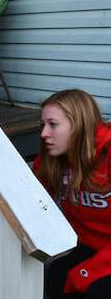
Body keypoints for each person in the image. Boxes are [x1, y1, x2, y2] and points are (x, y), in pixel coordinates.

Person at [33, 89, 111, 299]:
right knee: (55, 274)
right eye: (43, 125)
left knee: (97, 291)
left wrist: (85, 274)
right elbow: (31, 199)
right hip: (90, 246)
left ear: (78, 124)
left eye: (53, 124)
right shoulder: (53, 160)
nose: (44, 134)